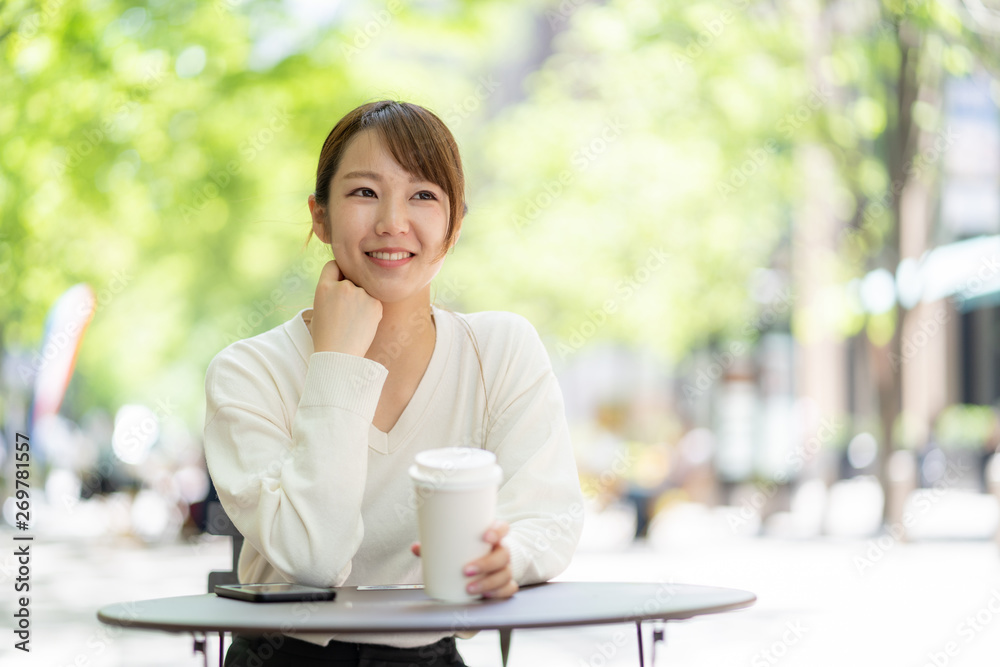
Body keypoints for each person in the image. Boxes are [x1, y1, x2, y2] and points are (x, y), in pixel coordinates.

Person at [203, 100, 584, 667]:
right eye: (363, 193)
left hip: (429, 654)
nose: (392, 222)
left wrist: (512, 558)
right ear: (320, 216)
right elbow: (315, 558)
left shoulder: (500, 350)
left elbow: (548, 513)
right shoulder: (248, 371)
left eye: (423, 195)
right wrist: (336, 362)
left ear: (454, 226)